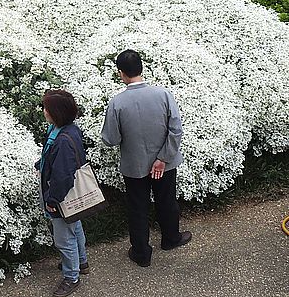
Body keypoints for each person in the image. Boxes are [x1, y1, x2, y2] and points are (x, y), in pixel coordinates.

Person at [101, 49, 192, 267]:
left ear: (121, 73)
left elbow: (110, 139)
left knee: (138, 207)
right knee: (167, 200)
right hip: (165, 164)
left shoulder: (117, 103)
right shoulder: (163, 94)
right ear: (142, 68)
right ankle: (171, 238)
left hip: (134, 166)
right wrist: (162, 158)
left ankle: (142, 253)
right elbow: (176, 130)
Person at [35, 90, 88, 297]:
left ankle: (71, 277)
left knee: (64, 239)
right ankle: (81, 262)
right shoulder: (63, 129)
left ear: (56, 112)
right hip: (68, 196)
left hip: (61, 196)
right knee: (74, 226)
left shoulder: (63, 139)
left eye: (47, 108)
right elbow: (54, 158)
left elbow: (63, 175)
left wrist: (53, 200)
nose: (44, 111)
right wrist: (42, 163)